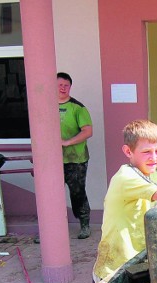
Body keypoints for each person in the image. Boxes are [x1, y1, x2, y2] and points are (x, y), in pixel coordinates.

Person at [93, 120, 157, 282]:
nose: (154, 158)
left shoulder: (151, 175)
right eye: (146, 152)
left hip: (134, 264)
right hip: (112, 271)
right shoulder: (126, 177)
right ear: (128, 151)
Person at [58, 72, 94, 239]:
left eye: (66, 85)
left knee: (77, 192)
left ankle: (85, 225)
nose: (63, 88)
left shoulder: (78, 108)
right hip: (53, 160)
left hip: (76, 159)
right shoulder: (46, 106)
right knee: (52, 195)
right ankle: (50, 230)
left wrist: (67, 142)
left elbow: (88, 131)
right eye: (59, 84)